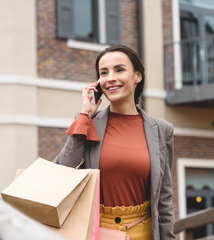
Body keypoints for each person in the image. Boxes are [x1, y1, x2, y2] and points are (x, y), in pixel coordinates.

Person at [59, 45, 176, 240]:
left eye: (119, 70)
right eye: (104, 73)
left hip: (143, 232)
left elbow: (164, 198)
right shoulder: (88, 122)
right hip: (97, 232)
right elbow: (64, 170)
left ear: (137, 76)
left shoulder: (162, 130)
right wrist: (85, 115)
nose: (110, 77)